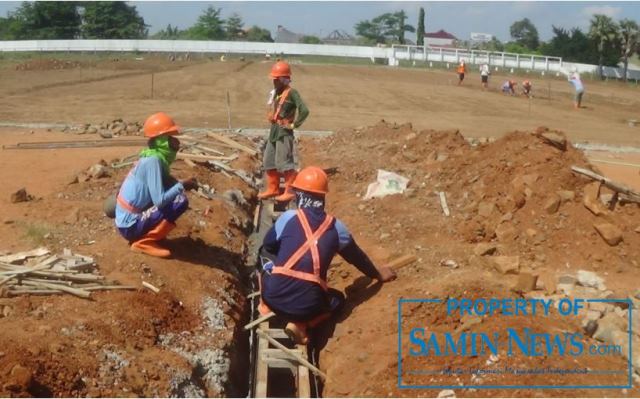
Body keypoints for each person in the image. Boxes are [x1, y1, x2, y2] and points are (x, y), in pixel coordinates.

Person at [258, 166, 396, 344]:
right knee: (338, 300)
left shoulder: (288, 217)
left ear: (299, 195)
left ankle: (264, 306)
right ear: (322, 196)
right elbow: (357, 257)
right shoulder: (337, 228)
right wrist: (376, 274)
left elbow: (268, 246)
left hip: (273, 296)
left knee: (264, 253)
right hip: (309, 308)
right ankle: (302, 325)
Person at [114, 112, 197, 258]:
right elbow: (159, 201)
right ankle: (144, 242)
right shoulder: (153, 161)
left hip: (130, 219)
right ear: (161, 141)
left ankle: (151, 234)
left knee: (173, 193)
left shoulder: (153, 157)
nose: (175, 142)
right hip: (130, 226)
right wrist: (182, 185)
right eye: (170, 137)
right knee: (180, 200)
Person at [258, 61, 310, 203]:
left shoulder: (292, 93)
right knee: (269, 161)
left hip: (284, 132)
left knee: (284, 163)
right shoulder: (276, 93)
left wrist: (294, 125)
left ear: (283, 79)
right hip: (274, 131)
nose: (273, 82)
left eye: (276, 79)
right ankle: (272, 188)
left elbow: (304, 110)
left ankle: (290, 191)